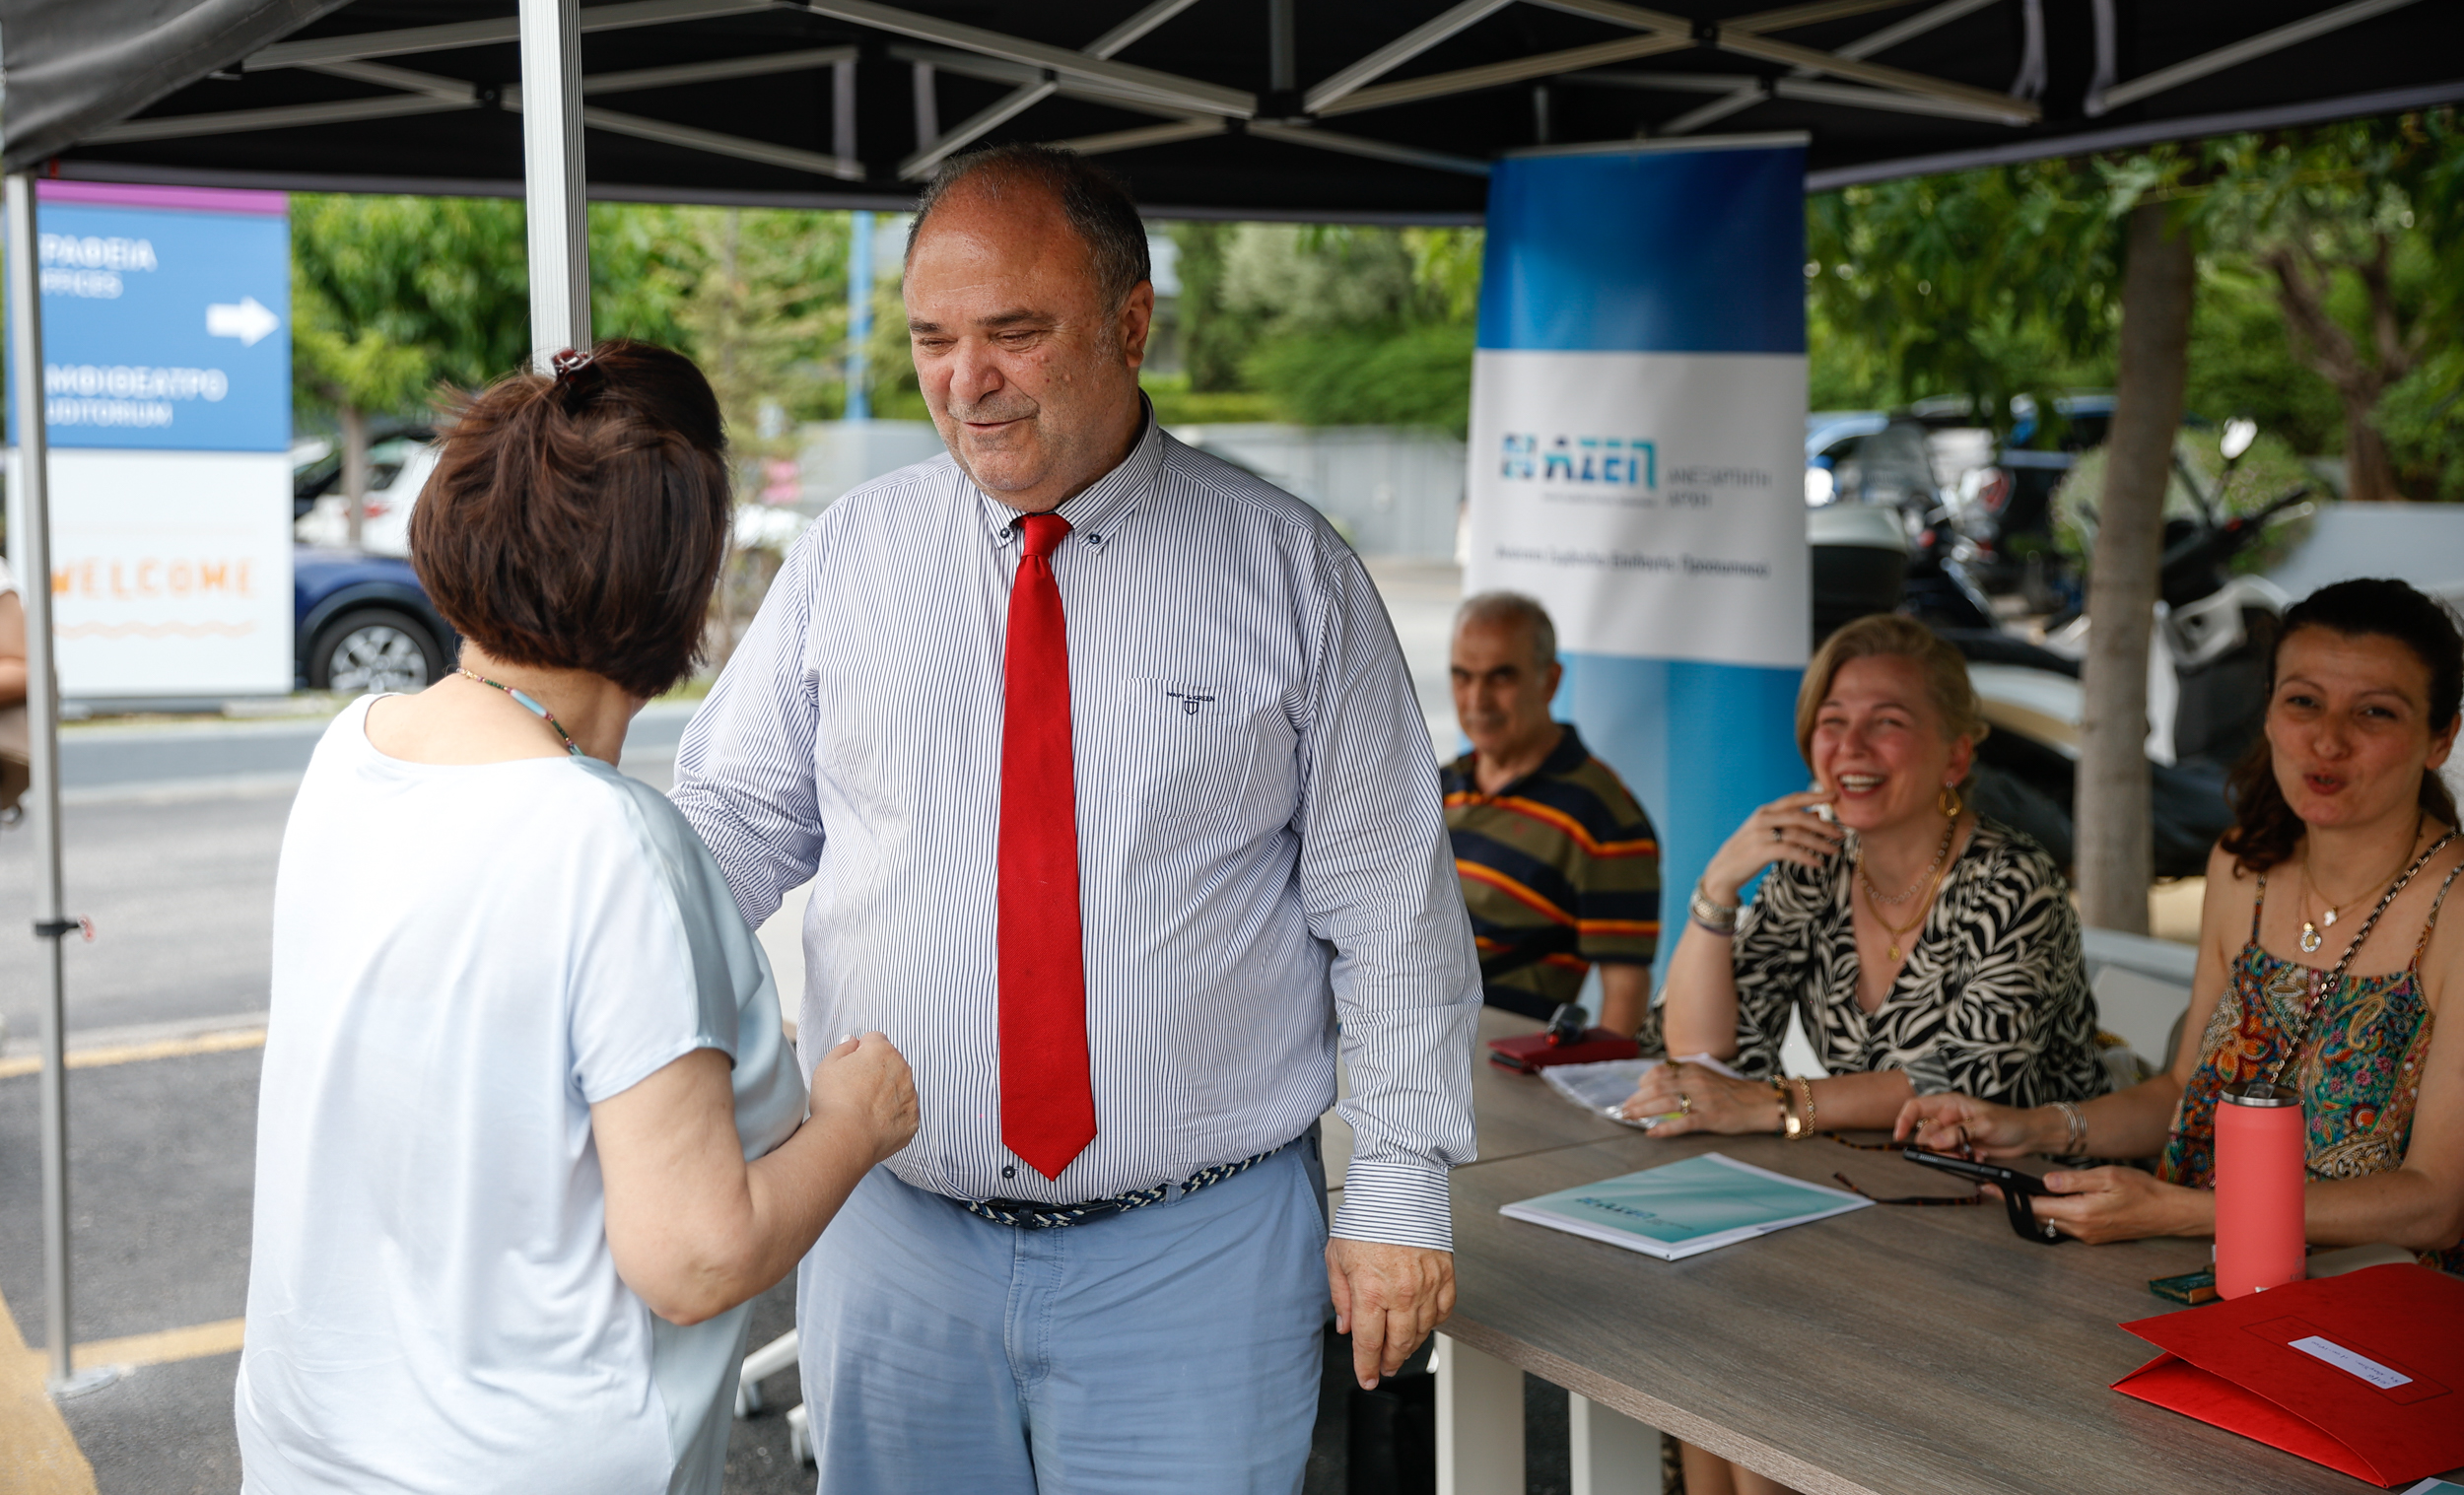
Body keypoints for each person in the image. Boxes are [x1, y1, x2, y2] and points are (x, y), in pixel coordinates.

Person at [670, 146, 1478, 1493]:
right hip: (896, 1236)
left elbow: (1391, 905)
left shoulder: (1291, 573)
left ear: (1131, 322)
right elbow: (737, 823)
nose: (964, 380)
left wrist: (1398, 1187)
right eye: (933, 338)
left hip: (1197, 1254)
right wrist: (586, 957)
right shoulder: (850, 557)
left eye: (1014, 333)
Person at [236, 343, 919, 1495]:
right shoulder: (610, 844)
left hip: (308, 1445)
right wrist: (854, 1121)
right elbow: (695, 1256)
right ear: (677, 588)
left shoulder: (349, 755)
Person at [1617, 613, 2101, 1495]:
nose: (1852, 744)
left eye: (1888, 719)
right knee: (1700, 1346)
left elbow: (1967, 1076)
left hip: (2016, 1231)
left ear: (1956, 756)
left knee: (1755, 1369)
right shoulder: (1817, 864)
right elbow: (1702, 1054)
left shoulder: (2012, 879)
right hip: (1875, 1211)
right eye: (1833, 719)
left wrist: (1776, 1106)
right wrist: (1719, 885)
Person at [1902, 578, 2464, 1268]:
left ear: (2441, 738)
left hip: (2370, 1315)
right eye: (2303, 702)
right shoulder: (2243, 867)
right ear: (2267, 712)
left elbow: (2436, 1203)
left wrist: (2180, 1210)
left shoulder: (2454, 907)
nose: (2328, 739)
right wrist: (2028, 1127)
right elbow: (2180, 1090)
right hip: (2185, 1266)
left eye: (2374, 712)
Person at [1443, 590, 1662, 1041]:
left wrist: (1598, 1092)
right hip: (1385, 1047)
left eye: (1500, 678)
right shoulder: (1437, 784)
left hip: (1492, 1068)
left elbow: (1625, 988)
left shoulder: (1604, 818)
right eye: (1462, 677)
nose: (1476, 700)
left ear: (1550, 680)